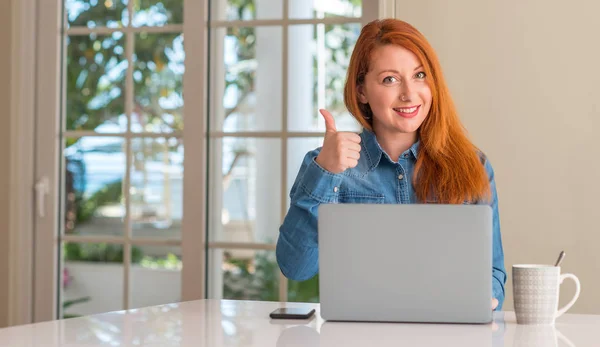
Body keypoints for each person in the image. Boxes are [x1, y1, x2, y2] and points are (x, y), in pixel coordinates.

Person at [276, 18, 507, 310]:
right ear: (361, 91)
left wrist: (484, 298)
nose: (409, 93)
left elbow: (494, 273)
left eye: (420, 75)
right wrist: (325, 173)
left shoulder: (474, 165)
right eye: (390, 79)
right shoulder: (329, 166)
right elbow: (295, 267)